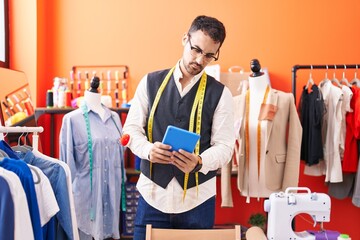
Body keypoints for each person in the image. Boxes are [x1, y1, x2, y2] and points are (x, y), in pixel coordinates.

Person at [123, 15, 235, 240]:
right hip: (152, 197)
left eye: (209, 55)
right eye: (196, 49)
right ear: (185, 39)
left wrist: (200, 162)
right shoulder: (149, 82)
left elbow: (224, 147)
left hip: (198, 201)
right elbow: (130, 131)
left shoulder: (221, 94)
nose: (200, 60)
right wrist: (148, 150)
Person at [60, 77, 126, 240]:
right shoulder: (72, 120)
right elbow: (67, 164)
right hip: (86, 200)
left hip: (111, 197)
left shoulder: (115, 118)